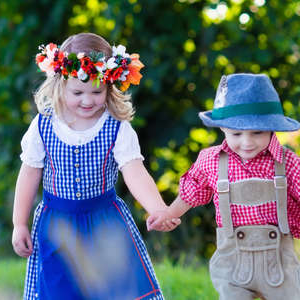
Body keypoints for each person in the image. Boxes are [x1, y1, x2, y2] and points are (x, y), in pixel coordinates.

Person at [147, 73, 300, 299]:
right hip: (232, 264)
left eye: (257, 132)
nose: (247, 142)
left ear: (272, 127)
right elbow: (191, 193)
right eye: (237, 133)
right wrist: (169, 214)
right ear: (222, 129)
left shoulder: (288, 163)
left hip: (280, 263)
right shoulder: (211, 161)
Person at [12, 32, 178, 300]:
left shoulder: (116, 127)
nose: (87, 101)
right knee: (60, 290)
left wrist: (158, 208)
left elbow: (135, 171)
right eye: (77, 92)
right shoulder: (43, 126)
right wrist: (19, 223)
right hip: (57, 224)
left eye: (97, 92)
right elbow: (29, 174)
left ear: (109, 87)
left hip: (105, 223)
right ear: (60, 85)